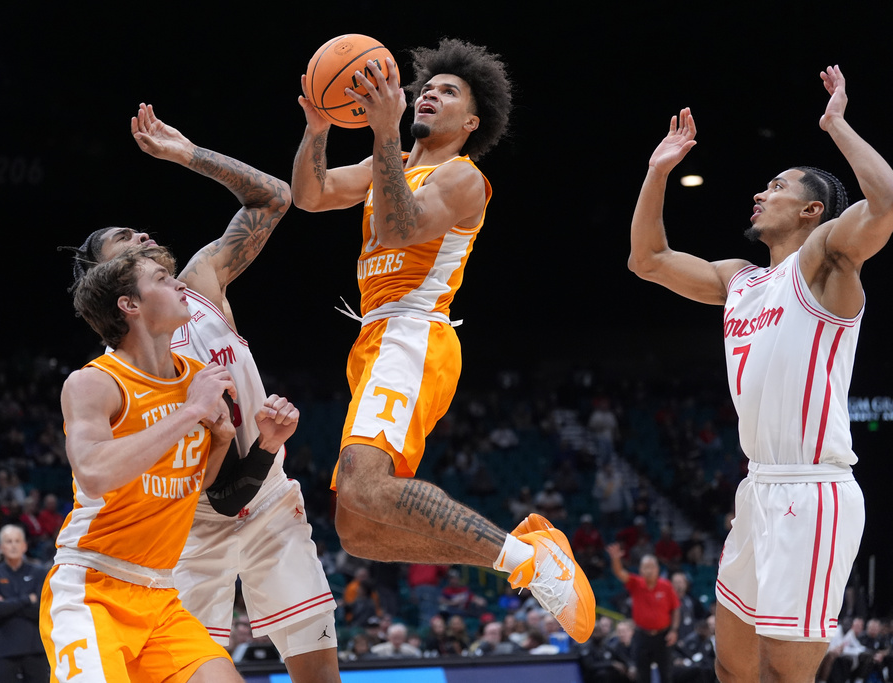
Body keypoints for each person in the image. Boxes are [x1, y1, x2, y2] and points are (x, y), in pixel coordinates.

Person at [291, 36, 594, 643]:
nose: (429, 92)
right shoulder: (396, 163)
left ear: (472, 121)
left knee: (364, 484)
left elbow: (399, 228)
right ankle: (526, 556)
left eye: (447, 91)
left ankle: (526, 561)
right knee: (359, 531)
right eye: (427, 86)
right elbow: (311, 193)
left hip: (414, 334)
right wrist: (319, 125)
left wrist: (382, 131)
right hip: (373, 339)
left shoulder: (463, 178)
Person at [628, 65, 892, 683]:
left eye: (774, 186)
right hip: (757, 490)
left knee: (783, 675)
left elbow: (885, 202)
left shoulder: (825, 262)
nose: (758, 193)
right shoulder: (738, 279)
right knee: (732, 666)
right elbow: (648, 260)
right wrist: (657, 171)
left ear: (810, 210)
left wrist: (838, 126)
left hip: (814, 490)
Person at [66, 103, 340, 683]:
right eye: (123, 239)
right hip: (188, 524)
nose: (141, 233)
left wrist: (186, 154)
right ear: (110, 286)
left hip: (265, 500)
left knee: (319, 675)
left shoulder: (199, 284)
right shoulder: (118, 373)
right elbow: (212, 488)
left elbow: (273, 199)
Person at [42, 243, 298, 682]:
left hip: (160, 594)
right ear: (130, 305)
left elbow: (197, 485)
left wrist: (246, 444)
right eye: (160, 279)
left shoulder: (195, 376)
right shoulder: (94, 383)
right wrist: (190, 413)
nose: (179, 282)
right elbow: (94, 472)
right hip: (93, 587)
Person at [0, 525, 48, 682]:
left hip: (35, 648)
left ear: (24, 546)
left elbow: (41, 609)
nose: (13, 545)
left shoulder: (39, 572)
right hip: (4, 648)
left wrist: (6, 604)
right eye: (8, 541)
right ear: (1, 547)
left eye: (17, 541)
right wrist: (26, 600)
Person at [607, 543, 679, 683]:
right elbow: (620, 573)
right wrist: (616, 559)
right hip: (642, 636)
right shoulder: (636, 583)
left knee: (666, 675)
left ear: (657, 569)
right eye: (646, 567)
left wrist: (674, 630)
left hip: (663, 636)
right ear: (640, 570)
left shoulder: (666, 586)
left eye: (652, 567)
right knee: (642, 676)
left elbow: (675, 609)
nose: (649, 570)